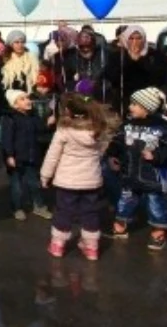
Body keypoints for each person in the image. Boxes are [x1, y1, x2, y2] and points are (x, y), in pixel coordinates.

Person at [41, 95, 118, 261]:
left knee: (64, 211)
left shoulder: (64, 131)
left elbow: (52, 156)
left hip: (67, 180)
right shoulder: (98, 130)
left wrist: (45, 175)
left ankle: (58, 245)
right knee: (90, 212)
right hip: (91, 180)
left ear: (68, 111)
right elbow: (102, 151)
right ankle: (91, 247)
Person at [108, 88, 167, 251]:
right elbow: (118, 142)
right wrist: (112, 155)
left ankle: (159, 230)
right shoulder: (127, 125)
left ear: (147, 107)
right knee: (125, 200)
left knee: (155, 203)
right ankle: (120, 222)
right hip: (129, 172)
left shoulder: (164, 127)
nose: (130, 107)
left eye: (135, 104)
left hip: (153, 176)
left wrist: (156, 155)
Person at [0, 89, 50, 221]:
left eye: (27, 98)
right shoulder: (10, 118)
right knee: (17, 186)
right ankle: (17, 208)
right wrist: (9, 155)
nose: (28, 101)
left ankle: (38, 205)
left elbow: (41, 129)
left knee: (34, 183)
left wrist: (47, 122)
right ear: (15, 104)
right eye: (22, 99)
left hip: (31, 156)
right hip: (16, 157)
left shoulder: (33, 115)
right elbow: (7, 139)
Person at [102, 26, 167, 117]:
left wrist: (140, 61)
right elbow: (111, 77)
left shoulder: (154, 55)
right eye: (131, 38)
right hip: (124, 101)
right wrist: (130, 61)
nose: (135, 42)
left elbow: (160, 77)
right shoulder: (118, 56)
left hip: (148, 101)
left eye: (138, 38)